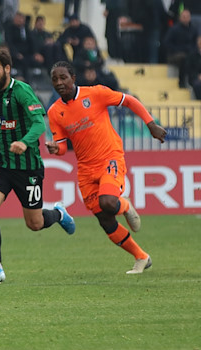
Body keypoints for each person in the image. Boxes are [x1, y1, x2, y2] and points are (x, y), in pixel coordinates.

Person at [46, 61, 167, 274]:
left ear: (73, 78)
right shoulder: (55, 112)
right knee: (104, 218)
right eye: (55, 79)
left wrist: (150, 124)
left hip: (109, 158)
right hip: (85, 168)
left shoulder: (96, 93)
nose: (59, 82)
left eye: (63, 77)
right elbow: (64, 147)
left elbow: (129, 101)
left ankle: (125, 206)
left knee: (109, 202)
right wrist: (56, 149)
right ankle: (141, 257)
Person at [0, 48, 75, 283]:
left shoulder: (22, 91)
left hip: (27, 167)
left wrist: (24, 142)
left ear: (7, 69)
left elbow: (39, 124)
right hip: (0, 163)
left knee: (35, 223)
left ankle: (58, 213)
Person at [187, 35, 201, 111]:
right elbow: (189, 69)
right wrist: (198, 76)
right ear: (198, 45)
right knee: (197, 85)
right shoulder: (193, 55)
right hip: (198, 80)